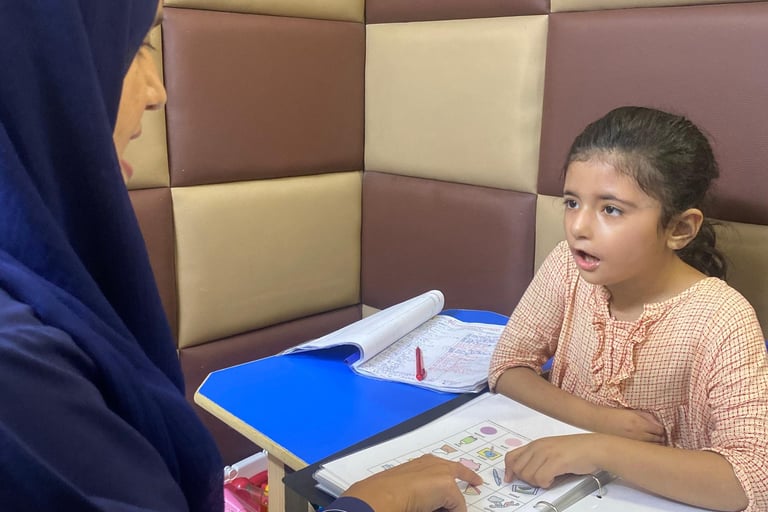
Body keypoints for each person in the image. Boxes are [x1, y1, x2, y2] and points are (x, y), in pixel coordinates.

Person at [0, 1, 481, 510]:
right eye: (139, 45)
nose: (157, 92)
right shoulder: (21, 373)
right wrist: (369, 502)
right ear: (42, 62)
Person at [488, 106, 767, 511]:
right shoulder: (567, 266)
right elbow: (507, 366)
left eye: (610, 209)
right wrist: (595, 420)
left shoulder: (721, 317)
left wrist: (604, 449)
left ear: (679, 229)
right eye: (571, 202)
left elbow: (753, 479)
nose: (578, 227)